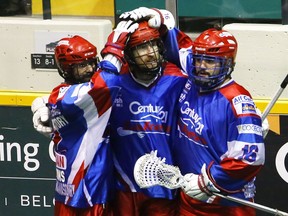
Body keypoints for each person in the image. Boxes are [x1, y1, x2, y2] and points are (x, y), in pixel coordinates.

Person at [32, 9, 193, 216]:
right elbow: (82, 93)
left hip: (164, 187)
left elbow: (204, 65)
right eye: (142, 47)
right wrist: (45, 103)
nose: (151, 53)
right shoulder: (112, 81)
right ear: (128, 55)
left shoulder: (179, 78)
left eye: (153, 44)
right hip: (121, 187)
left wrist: (163, 18)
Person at [173, 27, 265, 216]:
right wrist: (162, 20)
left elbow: (251, 160)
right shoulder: (193, 76)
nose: (202, 66)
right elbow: (176, 45)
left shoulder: (237, 100)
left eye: (210, 61)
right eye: (198, 59)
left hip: (225, 205)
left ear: (228, 63)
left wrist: (207, 181)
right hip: (190, 200)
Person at [33, 35, 122, 216]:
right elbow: (106, 81)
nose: (90, 68)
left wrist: (38, 105)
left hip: (87, 191)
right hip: (82, 192)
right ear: (66, 69)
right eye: (82, 65)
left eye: (91, 62)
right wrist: (117, 42)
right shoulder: (83, 95)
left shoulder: (59, 94)